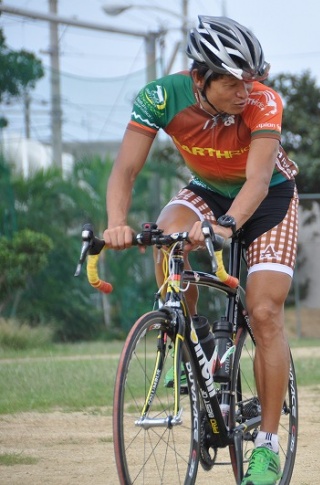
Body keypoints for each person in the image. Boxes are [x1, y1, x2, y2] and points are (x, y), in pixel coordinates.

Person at [103, 15, 298, 485]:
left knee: (264, 311)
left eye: (250, 77)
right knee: (168, 238)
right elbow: (125, 171)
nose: (244, 89)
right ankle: (195, 341)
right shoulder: (160, 97)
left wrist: (228, 225)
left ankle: (268, 448)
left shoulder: (264, 102)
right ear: (199, 78)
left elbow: (255, 180)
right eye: (232, 80)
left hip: (269, 196)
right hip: (205, 190)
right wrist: (116, 224)